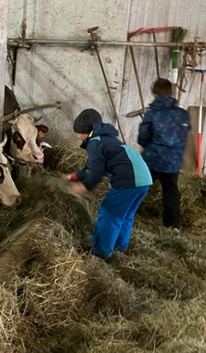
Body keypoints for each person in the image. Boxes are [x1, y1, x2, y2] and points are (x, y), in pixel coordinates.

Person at [60, 108, 152, 261]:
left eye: (80, 132)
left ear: (88, 131)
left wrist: (84, 186)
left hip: (128, 181)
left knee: (109, 214)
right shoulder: (107, 140)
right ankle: (121, 247)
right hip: (143, 179)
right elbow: (96, 167)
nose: (78, 136)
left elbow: (95, 171)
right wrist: (73, 176)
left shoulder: (95, 143)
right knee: (125, 215)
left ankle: (101, 253)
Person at [137, 78, 191, 229]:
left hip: (154, 160)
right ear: (171, 94)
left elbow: (142, 138)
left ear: (154, 94)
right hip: (174, 162)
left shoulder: (152, 114)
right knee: (171, 191)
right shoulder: (183, 115)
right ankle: (173, 226)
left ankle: (128, 214)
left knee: (138, 185)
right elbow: (183, 136)